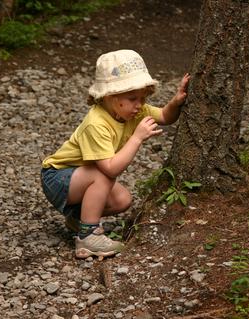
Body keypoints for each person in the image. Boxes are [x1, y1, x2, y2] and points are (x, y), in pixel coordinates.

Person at [40, 49, 190, 259]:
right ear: (110, 96)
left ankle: (77, 219)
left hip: (79, 178)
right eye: (132, 98)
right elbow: (111, 168)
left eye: (143, 98)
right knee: (103, 175)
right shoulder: (96, 123)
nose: (139, 104)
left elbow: (165, 116)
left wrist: (176, 101)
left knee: (122, 200)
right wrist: (137, 138)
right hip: (57, 178)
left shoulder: (135, 109)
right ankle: (88, 236)